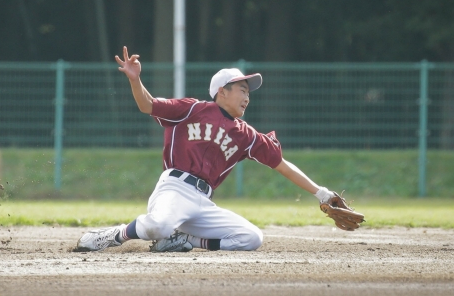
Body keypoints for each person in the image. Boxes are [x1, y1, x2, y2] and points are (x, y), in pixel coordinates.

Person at [76, 46, 340, 253]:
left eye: (248, 93)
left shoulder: (246, 134)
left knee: (251, 237)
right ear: (222, 92)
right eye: (242, 90)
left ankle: (185, 240)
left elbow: (281, 165)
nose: (247, 97)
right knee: (159, 225)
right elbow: (148, 105)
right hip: (174, 188)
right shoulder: (192, 109)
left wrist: (322, 193)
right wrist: (135, 80)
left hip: (202, 202)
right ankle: (114, 235)